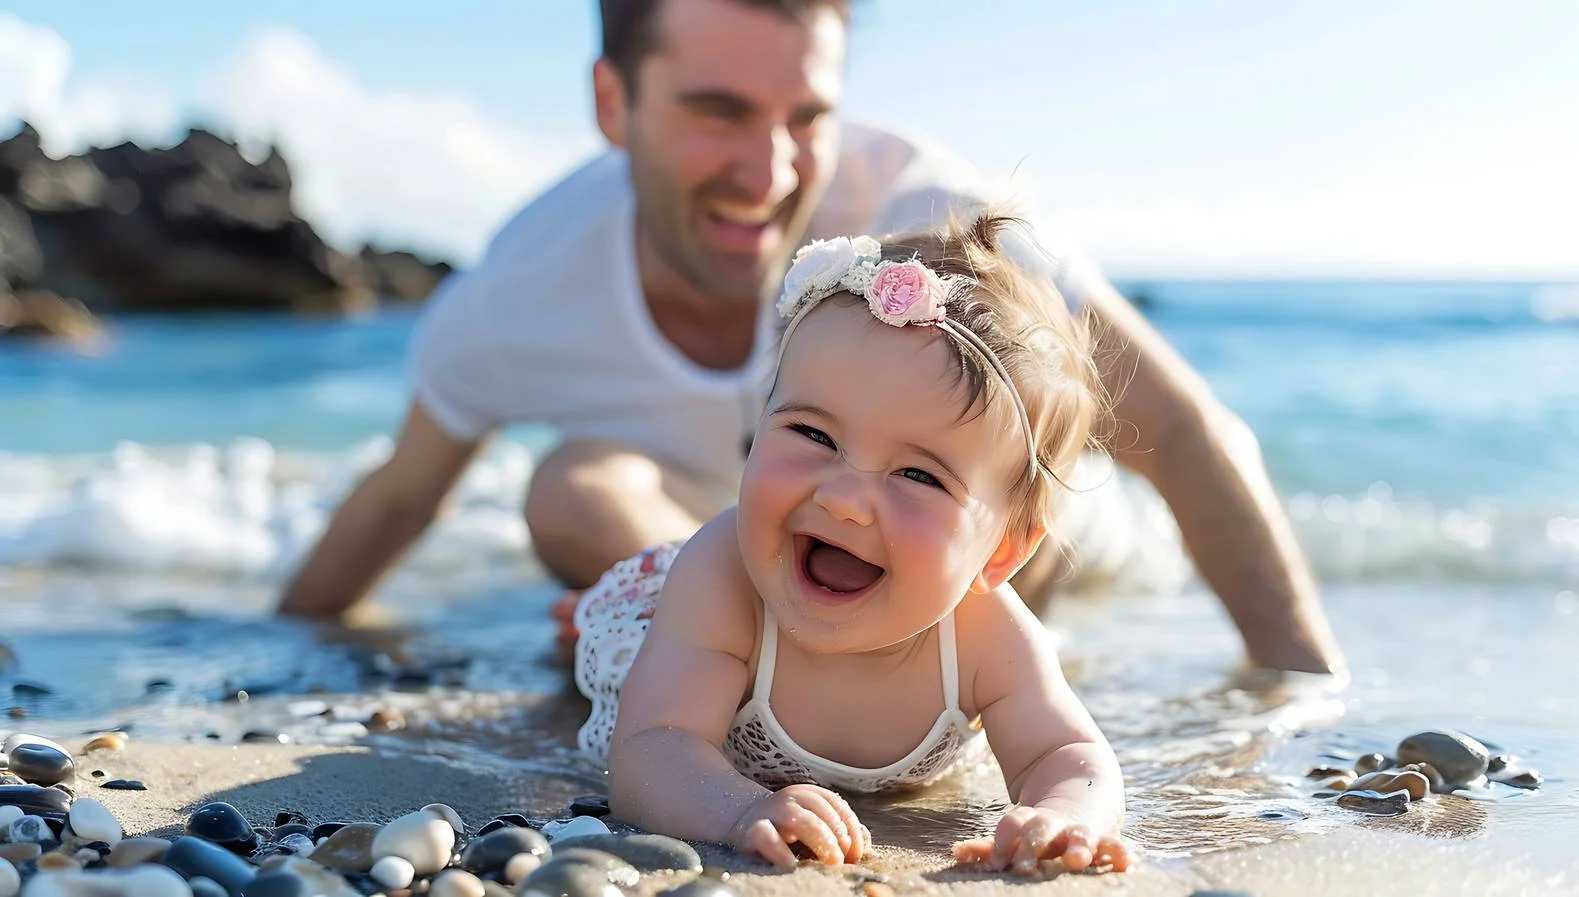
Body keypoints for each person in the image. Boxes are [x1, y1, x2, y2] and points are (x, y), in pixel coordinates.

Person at [277, 0, 1344, 678]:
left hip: (1005, 532)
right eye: (718, 111)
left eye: (805, 117)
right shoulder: (525, 285)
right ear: (613, 103)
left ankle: (814, 661)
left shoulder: (931, 215)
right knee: (569, 488)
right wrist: (256, 659)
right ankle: (737, 637)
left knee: (1010, 530)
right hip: (774, 528)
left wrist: (1306, 702)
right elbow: (400, 496)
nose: (772, 172)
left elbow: (1189, 436)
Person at [578, 212, 1129, 873]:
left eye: (919, 475)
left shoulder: (987, 637)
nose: (843, 498)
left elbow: (1068, 755)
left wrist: (1065, 815)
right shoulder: (721, 579)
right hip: (671, 629)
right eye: (813, 434)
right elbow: (651, 748)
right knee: (601, 679)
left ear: (1001, 554)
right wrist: (738, 809)